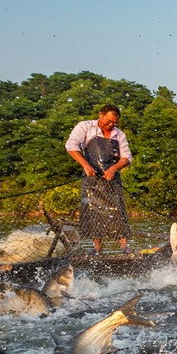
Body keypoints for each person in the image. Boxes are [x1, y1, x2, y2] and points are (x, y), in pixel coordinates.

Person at [65, 105, 133, 253]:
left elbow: (127, 157)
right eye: (108, 121)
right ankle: (98, 249)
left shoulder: (119, 134)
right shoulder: (86, 126)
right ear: (100, 115)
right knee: (93, 213)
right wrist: (86, 165)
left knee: (118, 212)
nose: (111, 125)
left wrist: (113, 169)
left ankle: (125, 248)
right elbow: (71, 145)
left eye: (114, 122)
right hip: (92, 180)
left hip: (112, 180)